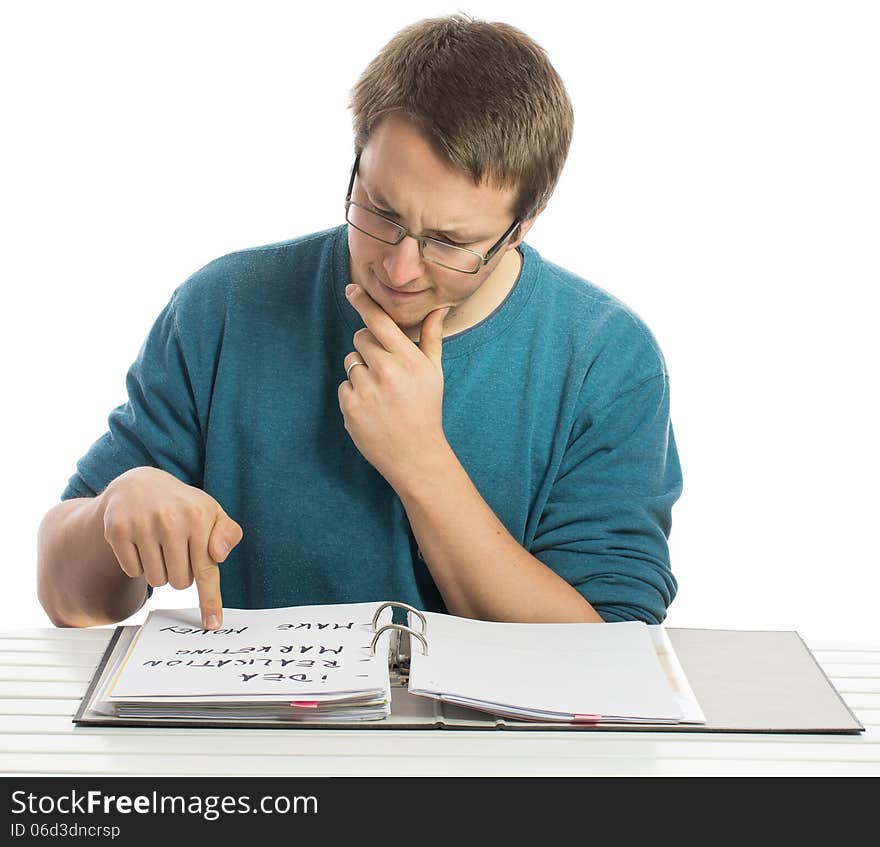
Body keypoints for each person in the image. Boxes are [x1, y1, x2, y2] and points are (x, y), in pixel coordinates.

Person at [37, 15, 682, 632]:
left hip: (496, 750)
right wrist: (115, 507)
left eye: (450, 241)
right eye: (380, 209)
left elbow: (609, 655)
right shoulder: (224, 306)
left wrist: (420, 461)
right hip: (260, 738)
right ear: (358, 160)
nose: (400, 267)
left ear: (523, 227)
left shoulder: (605, 357)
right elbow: (67, 598)